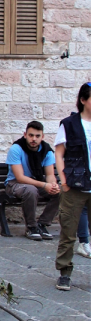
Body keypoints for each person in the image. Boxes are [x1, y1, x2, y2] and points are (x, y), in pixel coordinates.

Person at [54, 83, 91, 291]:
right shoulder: (69, 124)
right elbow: (59, 153)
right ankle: (64, 273)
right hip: (75, 185)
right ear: (83, 100)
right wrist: (63, 182)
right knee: (68, 231)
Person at [4, 121, 61, 241]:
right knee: (30, 190)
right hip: (15, 184)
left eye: (37, 136)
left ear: (42, 137)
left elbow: (50, 174)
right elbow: (20, 177)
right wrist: (44, 184)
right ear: (25, 135)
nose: (33, 139)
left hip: (37, 182)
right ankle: (31, 227)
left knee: (61, 192)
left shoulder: (47, 151)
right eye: (31, 135)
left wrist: (53, 185)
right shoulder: (16, 148)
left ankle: (42, 224)